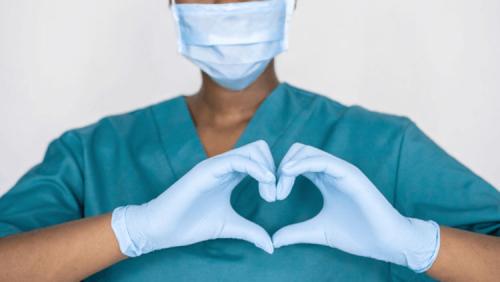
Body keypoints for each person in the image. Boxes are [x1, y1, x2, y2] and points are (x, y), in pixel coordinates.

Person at [0, 0, 499, 281]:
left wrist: (417, 244)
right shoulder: (92, 155)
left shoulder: (385, 147)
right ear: (172, 5)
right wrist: (132, 231)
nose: (227, 2)